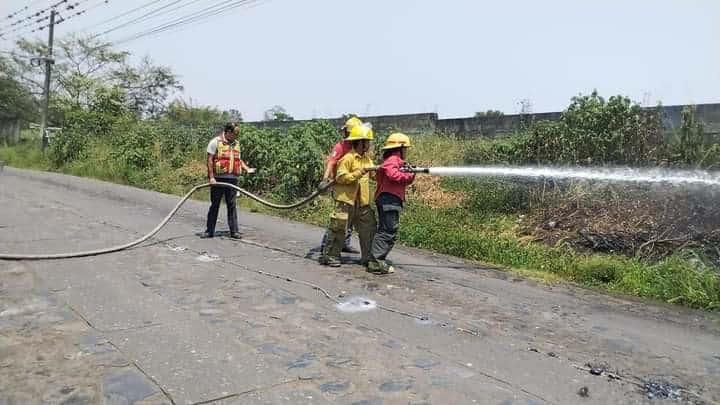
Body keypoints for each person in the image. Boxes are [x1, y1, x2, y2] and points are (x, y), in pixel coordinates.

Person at [319, 123, 377, 267]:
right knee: (339, 229)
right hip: (346, 201)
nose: (369, 145)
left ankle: (367, 257)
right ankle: (331, 256)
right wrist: (359, 173)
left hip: (362, 203)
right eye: (367, 142)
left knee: (368, 230)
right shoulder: (348, 158)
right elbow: (340, 177)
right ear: (360, 142)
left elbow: (373, 175)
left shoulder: (367, 159)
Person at [366, 133, 415, 274]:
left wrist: (410, 173)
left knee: (386, 229)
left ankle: (377, 259)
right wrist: (408, 174)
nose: (406, 151)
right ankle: (376, 262)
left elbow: (403, 178)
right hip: (389, 199)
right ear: (400, 148)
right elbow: (393, 175)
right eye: (405, 148)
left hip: (389, 199)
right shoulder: (393, 159)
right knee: (388, 230)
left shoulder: (394, 160)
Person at [318, 116, 364, 254]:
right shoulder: (341, 146)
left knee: (350, 219)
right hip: (341, 187)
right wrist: (325, 179)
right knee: (339, 219)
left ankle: (344, 243)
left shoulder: (359, 148)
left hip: (354, 188)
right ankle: (327, 246)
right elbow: (331, 162)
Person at [201, 123, 251, 239]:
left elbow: (238, 159)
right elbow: (209, 161)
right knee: (215, 205)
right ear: (228, 132)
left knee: (232, 205)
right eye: (235, 133)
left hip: (232, 179)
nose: (237, 136)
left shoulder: (236, 144)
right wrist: (211, 178)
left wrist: (246, 168)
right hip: (219, 179)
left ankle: (234, 231)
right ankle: (209, 231)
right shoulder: (215, 142)